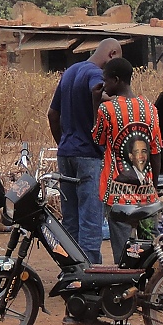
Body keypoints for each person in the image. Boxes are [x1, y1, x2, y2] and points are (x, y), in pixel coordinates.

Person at [46, 38, 123, 265]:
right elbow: (99, 95)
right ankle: (90, 276)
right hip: (89, 156)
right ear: (111, 55)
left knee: (70, 221)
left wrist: (64, 144)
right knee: (90, 220)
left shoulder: (70, 72)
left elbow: (52, 114)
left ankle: (71, 271)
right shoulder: (95, 75)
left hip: (66, 155)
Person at [91, 57, 163, 264]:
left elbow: (97, 139)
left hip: (118, 196)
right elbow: (156, 152)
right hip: (146, 194)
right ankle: (150, 289)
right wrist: (153, 188)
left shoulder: (107, 109)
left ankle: (127, 290)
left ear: (116, 80)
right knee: (150, 253)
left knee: (124, 254)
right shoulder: (150, 108)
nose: (104, 85)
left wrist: (95, 102)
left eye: (106, 80)